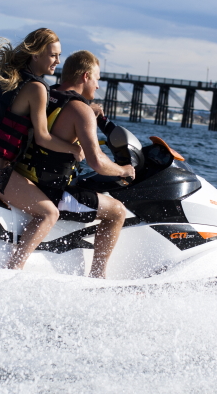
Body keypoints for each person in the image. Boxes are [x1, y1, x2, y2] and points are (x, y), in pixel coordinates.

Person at [0, 28, 84, 269]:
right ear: (36, 54)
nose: (58, 61)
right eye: (53, 55)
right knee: (49, 213)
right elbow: (43, 138)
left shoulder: (4, 74)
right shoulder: (37, 88)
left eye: (59, 56)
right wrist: (73, 149)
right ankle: (14, 270)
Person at [15, 50, 135, 278]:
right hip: (51, 191)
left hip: (24, 177)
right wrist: (123, 171)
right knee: (117, 211)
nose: (98, 86)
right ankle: (97, 277)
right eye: (98, 79)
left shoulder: (46, 93)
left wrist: (89, 109)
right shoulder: (81, 111)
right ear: (86, 77)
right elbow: (97, 162)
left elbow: (59, 117)